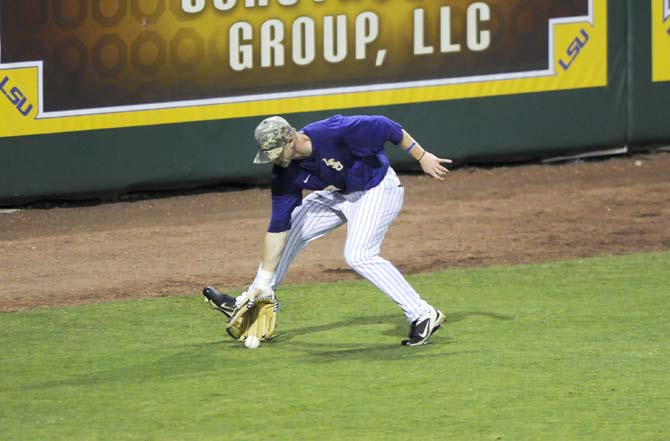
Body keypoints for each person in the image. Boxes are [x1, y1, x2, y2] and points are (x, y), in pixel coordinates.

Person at [216, 114, 452, 346]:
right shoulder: (284, 172)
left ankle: (423, 314)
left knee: (359, 255)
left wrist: (421, 156)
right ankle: (252, 299)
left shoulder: (334, 131)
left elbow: (388, 127)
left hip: (377, 189)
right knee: (291, 231)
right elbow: (278, 228)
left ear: (291, 140)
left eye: (276, 153)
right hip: (337, 194)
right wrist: (265, 280)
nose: (274, 160)